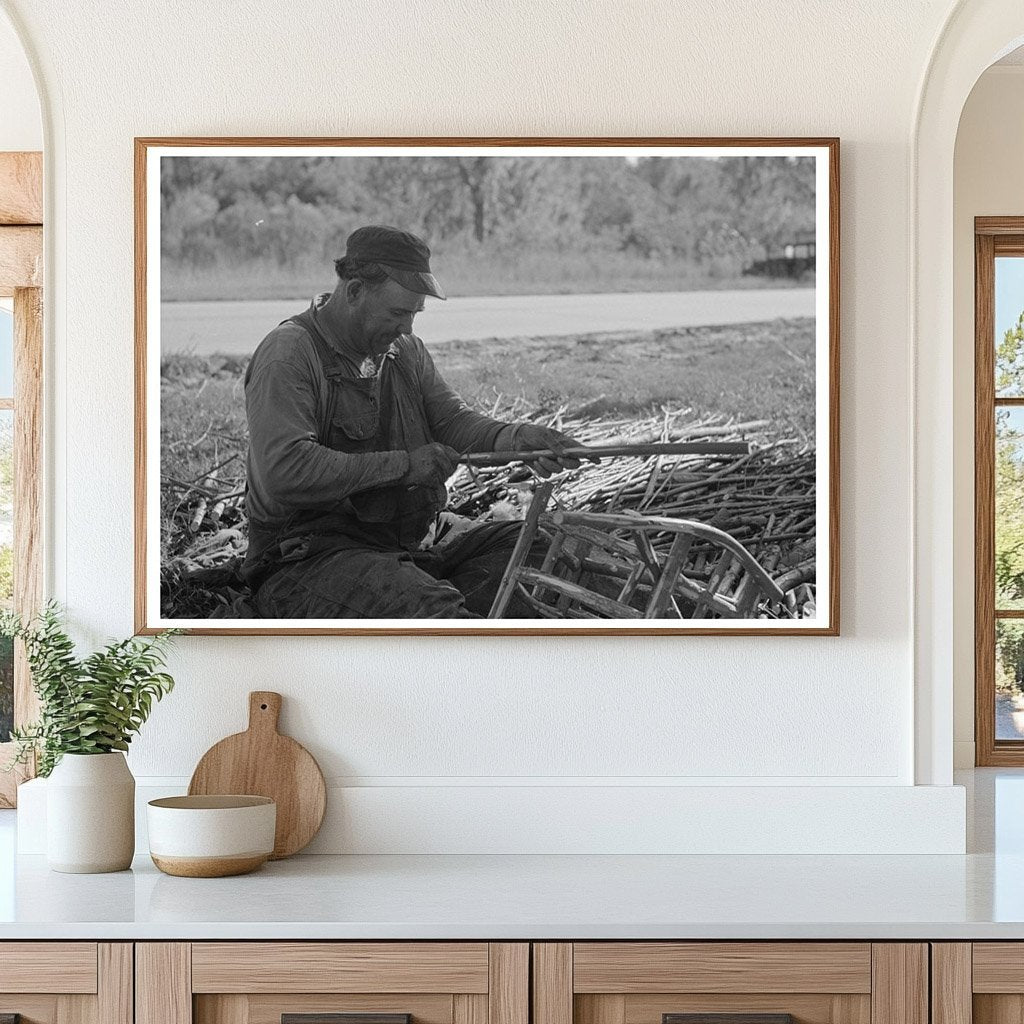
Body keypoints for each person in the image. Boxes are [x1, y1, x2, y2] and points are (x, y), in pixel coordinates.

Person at [240, 224, 586, 618]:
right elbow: (287, 470)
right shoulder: (289, 354)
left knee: (546, 551)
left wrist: (516, 438)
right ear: (354, 291)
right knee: (431, 609)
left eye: (415, 313)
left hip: (405, 551)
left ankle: (441, 606)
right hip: (308, 560)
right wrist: (406, 466)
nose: (408, 327)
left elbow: (452, 420)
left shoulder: (403, 350)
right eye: (398, 312)